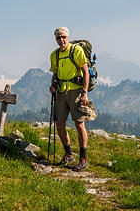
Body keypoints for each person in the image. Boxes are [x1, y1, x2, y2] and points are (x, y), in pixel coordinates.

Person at [49, 27, 90, 171]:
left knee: (79, 124)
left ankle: (83, 159)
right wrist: (52, 85)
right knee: (60, 123)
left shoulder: (76, 50)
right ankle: (68, 155)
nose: (62, 40)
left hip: (76, 92)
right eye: (59, 38)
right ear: (56, 40)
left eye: (64, 37)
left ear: (68, 37)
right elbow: (55, 73)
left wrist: (84, 93)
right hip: (60, 92)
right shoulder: (54, 55)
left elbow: (85, 71)